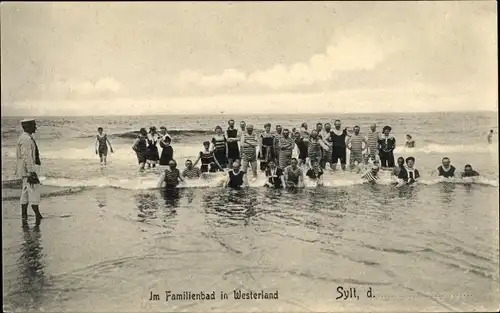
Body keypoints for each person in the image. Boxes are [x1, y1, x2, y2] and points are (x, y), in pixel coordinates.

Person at [16, 118, 43, 223]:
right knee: (34, 191)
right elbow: (26, 157)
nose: (35, 127)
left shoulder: (25, 138)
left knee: (26, 192)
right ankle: (38, 215)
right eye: (34, 125)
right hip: (28, 171)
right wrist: (32, 172)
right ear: (28, 126)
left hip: (25, 171)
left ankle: (24, 215)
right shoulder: (26, 139)